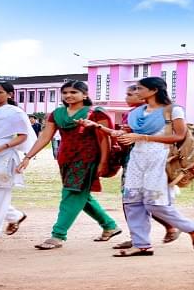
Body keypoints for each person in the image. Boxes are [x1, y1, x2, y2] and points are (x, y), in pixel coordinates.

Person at [107, 77, 194, 257]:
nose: (136, 92)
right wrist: (124, 134)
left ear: (153, 91)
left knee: (155, 204)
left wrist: (142, 137)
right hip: (137, 159)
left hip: (160, 159)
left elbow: (179, 136)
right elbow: (133, 134)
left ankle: (193, 228)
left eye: (139, 89)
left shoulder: (173, 111)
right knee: (132, 202)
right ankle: (141, 245)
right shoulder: (138, 113)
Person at [16, 81, 121, 250]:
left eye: (74, 92)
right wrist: (28, 156)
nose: (68, 95)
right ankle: (109, 225)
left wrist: (103, 162)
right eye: (65, 92)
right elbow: (45, 137)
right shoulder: (57, 113)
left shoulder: (96, 113)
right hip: (65, 159)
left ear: (85, 95)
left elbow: (104, 139)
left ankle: (58, 235)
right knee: (80, 194)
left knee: (72, 194)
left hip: (89, 158)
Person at [90, 85, 180, 250]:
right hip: (131, 161)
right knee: (132, 201)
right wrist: (99, 127)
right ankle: (140, 236)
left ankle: (176, 226)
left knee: (145, 200)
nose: (127, 97)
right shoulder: (132, 115)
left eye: (131, 94)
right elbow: (122, 136)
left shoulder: (157, 115)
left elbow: (170, 137)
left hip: (148, 161)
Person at [0, 82, 34, 242]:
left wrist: (2, 146)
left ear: (10, 94)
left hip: (3, 156)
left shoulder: (14, 113)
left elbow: (23, 135)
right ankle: (16, 216)